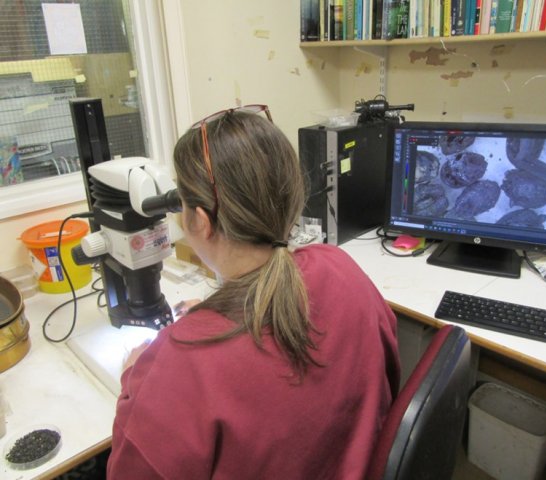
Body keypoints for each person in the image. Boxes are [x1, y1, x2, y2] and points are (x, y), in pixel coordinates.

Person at [107, 105, 400, 479]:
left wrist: (135, 385)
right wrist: (221, 313)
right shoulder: (339, 267)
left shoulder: (178, 366)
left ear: (199, 220)